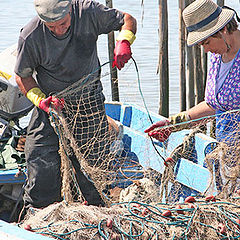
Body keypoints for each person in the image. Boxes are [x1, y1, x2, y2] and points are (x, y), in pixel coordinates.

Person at [14, 0, 137, 209]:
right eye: (51, 27)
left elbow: (127, 20)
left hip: (89, 104)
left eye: (63, 23)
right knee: (41, 166)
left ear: (70, 10)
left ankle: (93, 213)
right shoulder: (30, 35)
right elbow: (22, 77)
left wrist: (124, 41)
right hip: (51, 107)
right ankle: (38, 218)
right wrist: (40, 100)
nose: (59, 30)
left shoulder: (88, 12)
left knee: (91, 173)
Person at [144, 0, 240, 191]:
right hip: (228, 154)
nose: (205, 50)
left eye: (206, 42)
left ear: (223, 30)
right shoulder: (216, 57)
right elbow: (213, 106)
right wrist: (174, 124)